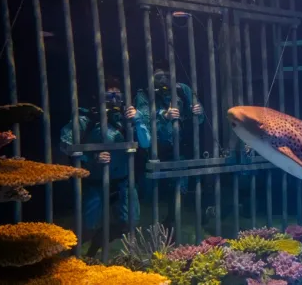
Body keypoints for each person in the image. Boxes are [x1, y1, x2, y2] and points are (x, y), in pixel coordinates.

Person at [60, 77, 151, 257]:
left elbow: (146, 143)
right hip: (95, 182)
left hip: (124, 182)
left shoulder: (128, 119)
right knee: (87, 226)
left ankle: (97, 244)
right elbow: (65, 143)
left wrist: (139, 120)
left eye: (118, 95)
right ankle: (68, 258)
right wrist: (90, 157)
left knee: (129, 223)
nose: (114, 100)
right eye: (109, 95)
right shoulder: (88, 118)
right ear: (98, 97)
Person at [134, 64, 204, 227]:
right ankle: (153, 227)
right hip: (155, 150)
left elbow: (199, 119)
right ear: (151, 78)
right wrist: (163, 116)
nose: (164, 79)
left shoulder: (183, 90)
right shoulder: (144, 94)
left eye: (167, 75)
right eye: (159, 77)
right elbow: (141, 119)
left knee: (180, 187)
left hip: (181, 146)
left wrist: (198, 112)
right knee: (153, 191)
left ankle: (172, 222)